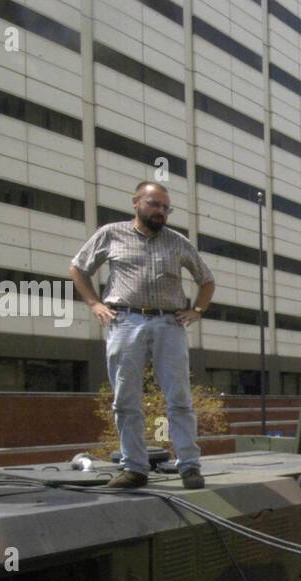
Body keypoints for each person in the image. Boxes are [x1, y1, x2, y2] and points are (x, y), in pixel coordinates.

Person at [70, 181, 216, 489]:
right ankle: (134, 468)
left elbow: (206, 279)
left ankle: (189, 466)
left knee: (179, 397)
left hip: (169, 324)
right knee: (125, 399)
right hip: (125, 321)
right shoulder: (111, 234)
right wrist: (94, 303)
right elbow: (78, 268)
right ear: (136, 203)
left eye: (165, 207)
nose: (161, 211)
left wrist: (197, 311)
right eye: (154, 204)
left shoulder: (177, 242)